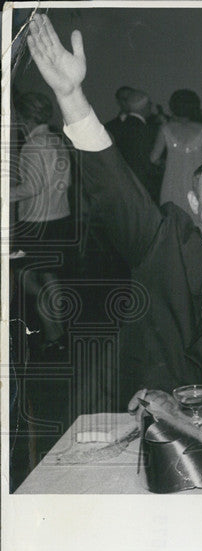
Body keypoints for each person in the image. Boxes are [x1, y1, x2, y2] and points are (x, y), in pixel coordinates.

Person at [25, 14, 202, 408]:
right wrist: (71, 97)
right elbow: (116, 189)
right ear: (193, 203)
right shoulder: (162, 237)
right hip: (127, 411)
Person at [11, 91, 73, 354]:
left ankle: (53, 334)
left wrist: (5, 192)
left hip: (37, 223)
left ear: (24, 116)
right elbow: (66, 182)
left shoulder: (34, 144)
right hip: (59, 219)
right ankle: (58, 334)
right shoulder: (55, 140)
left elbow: (31, 187)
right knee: (51, 280)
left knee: (26, 278)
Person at [151, 88, 202, 211]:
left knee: (173, 220)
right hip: (197, 182)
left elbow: (154, 158)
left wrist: (172, 163)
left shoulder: (165, 129)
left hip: (172, 181)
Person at [105, 88, 159, 200]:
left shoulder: (123, 125)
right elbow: (144, 159)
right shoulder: (141, 128)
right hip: (142, 182)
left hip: (125, 181)